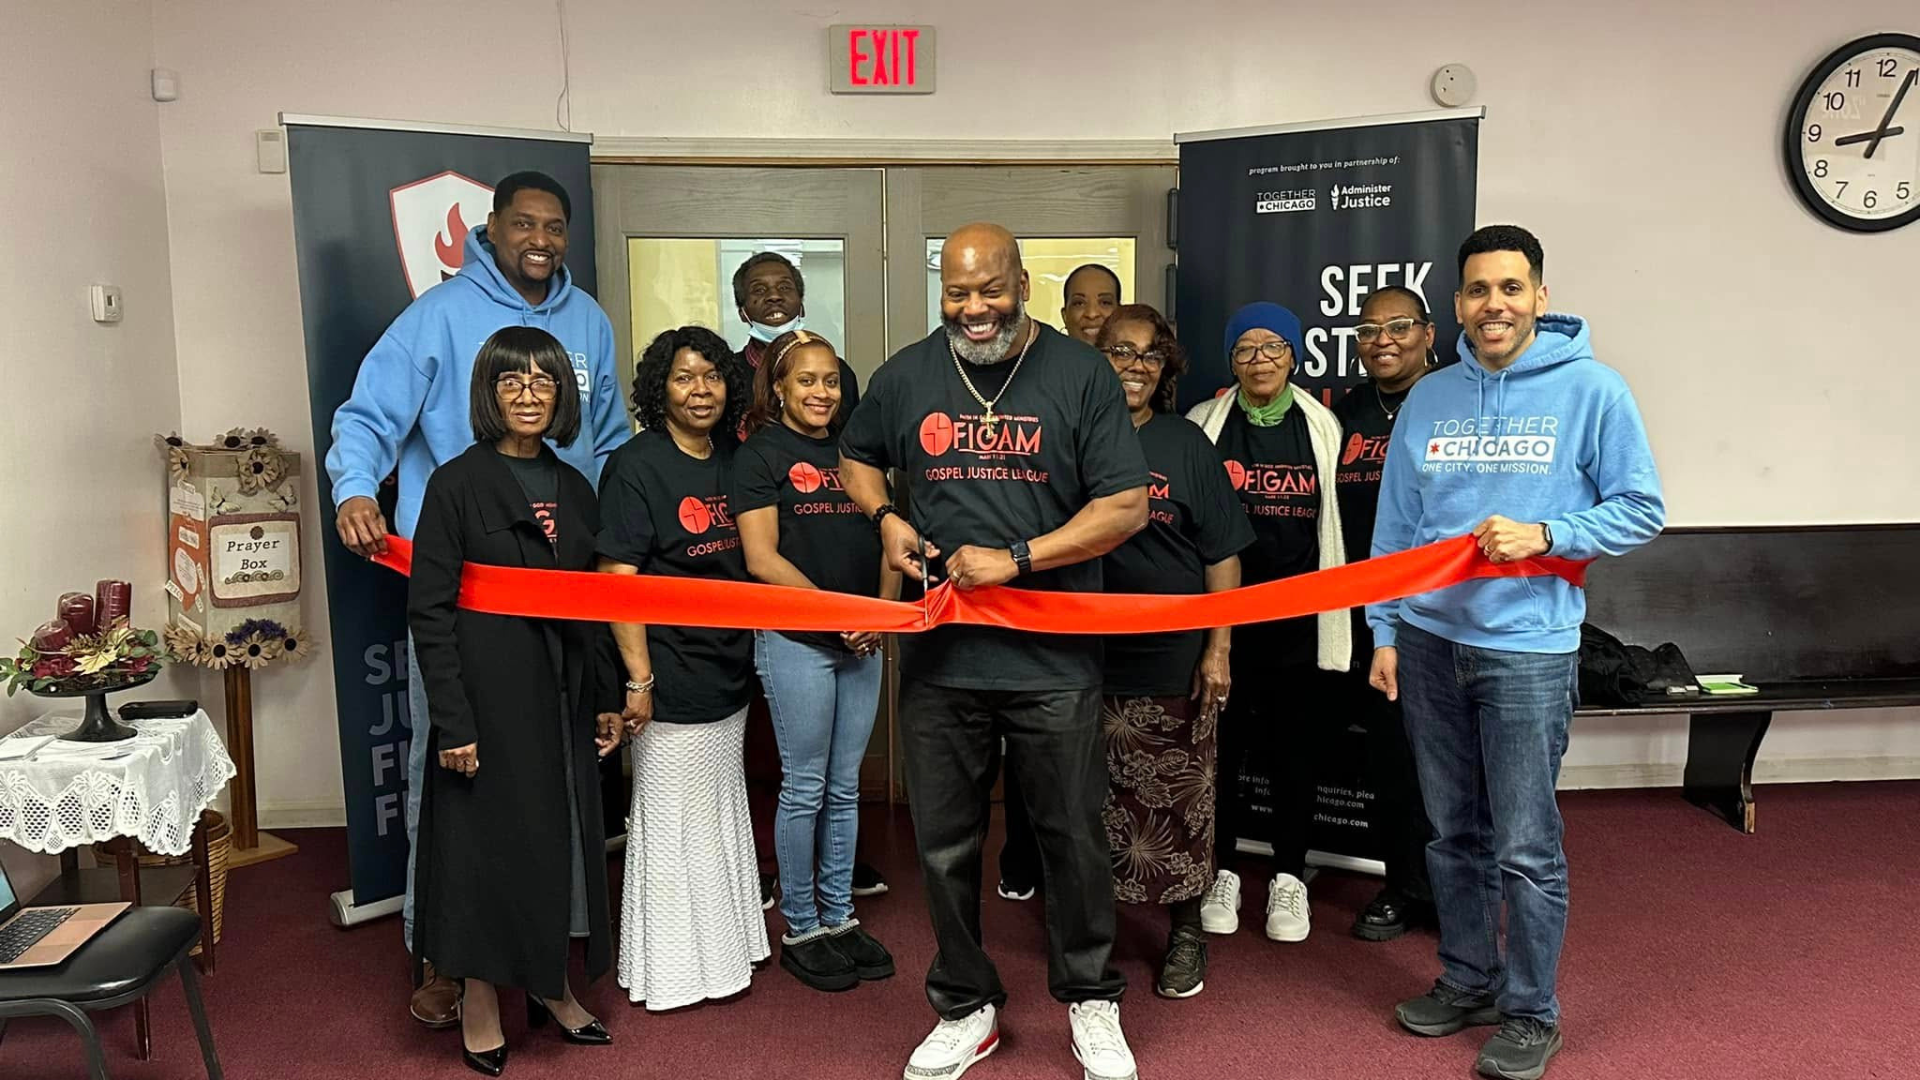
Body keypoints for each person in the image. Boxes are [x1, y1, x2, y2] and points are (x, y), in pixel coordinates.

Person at [839, 223, 1149, 1080]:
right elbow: (856, 459)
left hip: (1054, 658)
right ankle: (965, 1006)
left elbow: (1125, 508)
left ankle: (1090, 999)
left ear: (1022, 283)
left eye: (992, 291)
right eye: (958, 294)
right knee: (943, 844)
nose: (975, 310)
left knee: (1074, 839)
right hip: (942, 662)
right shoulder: (906, 374)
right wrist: (887, 517)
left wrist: (1017, 559)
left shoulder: (1079, 374)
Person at [326, 170, 631, 1027]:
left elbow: (605, 443)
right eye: (523, 224)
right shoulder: (438, 316)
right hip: (466, 590)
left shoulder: (589, 323)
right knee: (453, 769)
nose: (541, 239)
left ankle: (541, 949)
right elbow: (369, 418)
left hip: (560, 586)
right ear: (490, 229)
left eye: (555, 226)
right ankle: (443, 957)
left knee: (551, 783)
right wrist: (356, 487)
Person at [1369, 225, 1664, 1080]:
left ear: (1539, 295)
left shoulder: (1594, 391)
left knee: (1525, 844)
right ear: (1456, 305)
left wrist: (1546, 533)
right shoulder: (1429, 397)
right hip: (1427, 642)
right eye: (1475, 291)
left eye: (1509, 288)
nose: (1491, 305)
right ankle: (1469, 978)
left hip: (1528, 651)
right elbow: (1397, 528)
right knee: (1452, 831)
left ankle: (1532, 1010)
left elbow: (1642, 508)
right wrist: (1385, 630)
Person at [407, 326, 623, 1076]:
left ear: (563, 394)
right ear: (489, 395)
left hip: (560, 701)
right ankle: (478, 995)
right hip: (486, 706)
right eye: (512, 382)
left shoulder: (575, 487)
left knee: (557, 842)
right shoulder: (456, 485)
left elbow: (589, 605)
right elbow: (428, 612)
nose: (529, 393)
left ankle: (553, 986)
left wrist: (602, 695)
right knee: (479, 853)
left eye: (544, 381)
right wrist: (452, 720)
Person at [595, 327, 769, 1011]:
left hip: (731, 662)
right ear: (657, 390)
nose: (701, 391)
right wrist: (638, 680)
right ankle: (671, 967)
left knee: (721, 810)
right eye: (683, 378)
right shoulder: (637, 466)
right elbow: (617, 579)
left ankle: (728, 949)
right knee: (670, 819)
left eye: (712, 376)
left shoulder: (735, 456)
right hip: (668, 671)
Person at [1094, 305, 1252, 1000]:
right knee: (1085, 799)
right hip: (1079, 659)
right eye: (1120, 351)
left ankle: (1184, 931)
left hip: (1171, 657)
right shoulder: (1070, 438)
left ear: (1165, 371)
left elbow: (1222, 557)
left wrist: (1218, 648)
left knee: (1182, 800)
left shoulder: (1185, 444)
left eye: (1150, 355)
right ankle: (1090, 930)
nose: (1134, 365)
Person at [734, 329, 898, 992]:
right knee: (805, 786)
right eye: (805, 380)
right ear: (779, 388)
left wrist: (881, 616)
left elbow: (893, 532)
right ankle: (801, 925)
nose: (821, 392)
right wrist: (839, 615)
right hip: (799, 642)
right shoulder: (760, 455)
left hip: (864, 643)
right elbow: (761, 559)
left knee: (845, 785)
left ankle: (840, 917)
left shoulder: (860, 451)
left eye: (830, 380)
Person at [1185, 302, 1350, 946]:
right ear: (1231, 361)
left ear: (1294, 356)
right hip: (1224, 622)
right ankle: (1222, 869)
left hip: (1300, 621)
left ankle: (1288, 874)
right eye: (1246, 349)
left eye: (1273, 347)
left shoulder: (1324, 426)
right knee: (1219, 750)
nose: (1260, 360)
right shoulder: (1203, 423)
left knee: (1294, 751)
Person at [1332, 286, 1441, 942]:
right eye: (1369, 331)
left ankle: (1461, 889)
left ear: (1429, 332)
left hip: (1447, 610)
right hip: (1371, 616)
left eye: (1399, 327)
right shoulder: (1345, 415)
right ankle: (1405, 884)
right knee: (1391, 757)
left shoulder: (1459, 399)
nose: (1383, 341)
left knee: (1456, 761)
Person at [1061, 263, 1122, 346]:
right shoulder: (1048, 358)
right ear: (1064, 316)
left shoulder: (1138, 358)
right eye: (1079, 303)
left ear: (1120, 313)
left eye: (1105, 303)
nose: (1092, 314)